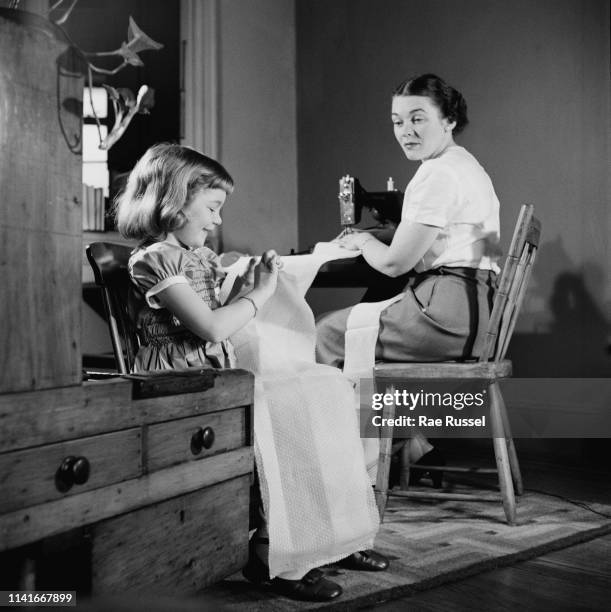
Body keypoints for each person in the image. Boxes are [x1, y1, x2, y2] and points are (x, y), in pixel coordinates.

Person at [116, 143, 388, 602]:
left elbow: (217, 316)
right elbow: (211, 327)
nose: (218, 220)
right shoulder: (154, 260)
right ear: (174, 199)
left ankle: (333, 535)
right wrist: (258, 295)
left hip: (215, 376)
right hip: (183, 383)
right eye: (212, 207)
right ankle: (274, 552)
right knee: (290, 406)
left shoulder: (197, 258)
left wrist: (243, 285)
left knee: (330, 386)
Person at [316, 74, 501, 474]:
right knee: (366, 317)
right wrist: (384, 237)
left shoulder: (436, 173)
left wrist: (361, 240)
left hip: (446, 314)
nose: (406, 131)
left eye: (418, 118)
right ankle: (409, 442)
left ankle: (346, 470)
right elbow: (429, 244)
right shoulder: (466, 166)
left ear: (448, 119)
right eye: (398, 121)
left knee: (328, 334)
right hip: (478, 313)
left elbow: (397, 263)